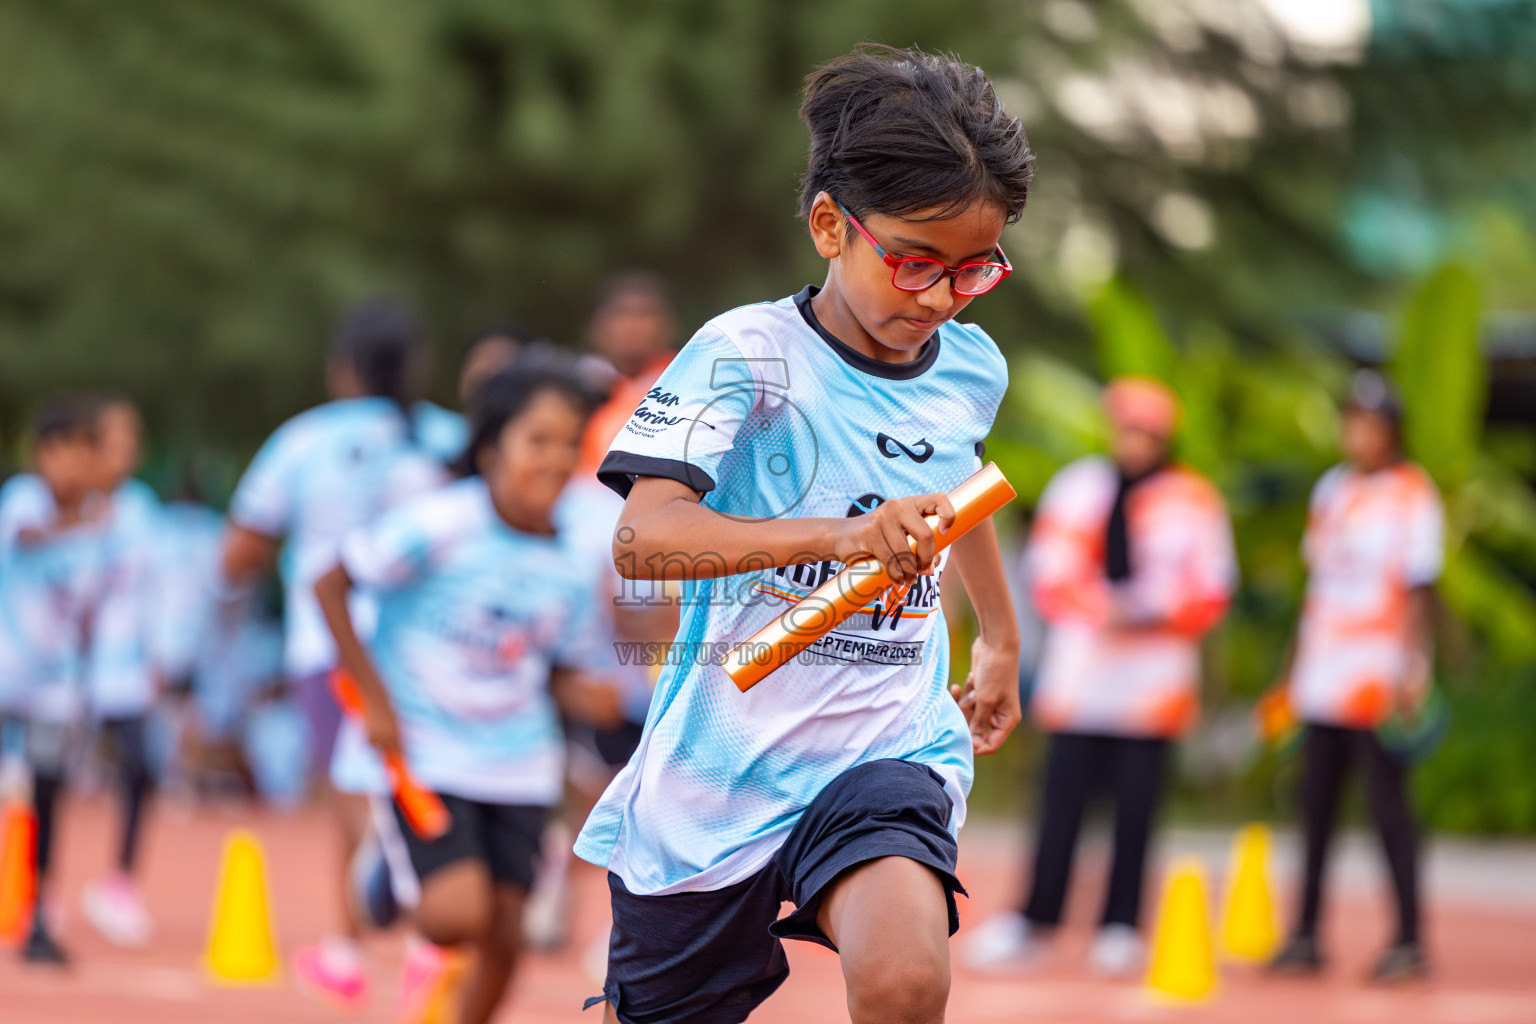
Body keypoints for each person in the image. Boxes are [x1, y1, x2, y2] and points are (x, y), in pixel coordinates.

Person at [576, 45, 1031, 1024]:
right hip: (719, 765)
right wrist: (844, 538)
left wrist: (1000, 635)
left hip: (885, 739)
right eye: (914, 262)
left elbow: (965, 491)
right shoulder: (743, 354)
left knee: (908, 979)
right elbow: (645, 539)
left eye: (974, 270)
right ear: (831, 225)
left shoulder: (969, 367)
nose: (940, 298)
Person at [314, 358, 621, 1024]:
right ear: (490, 449)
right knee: (455, 917)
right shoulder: (441, 525)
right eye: (538, 441)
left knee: (509, 932)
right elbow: (330, 584)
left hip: (517, 760)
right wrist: (375, 701)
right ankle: (387, 880)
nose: (557, 459)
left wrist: (583, 694)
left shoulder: (574, 554)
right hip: (426, 750)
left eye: (570, 444)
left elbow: (554, 664)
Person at [962, 377, 1236, 976]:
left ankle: (1121, 923)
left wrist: (1144, 609)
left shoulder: (1194, 500)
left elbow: (1212, 586)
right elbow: (1048, 573)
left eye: (1148, 431)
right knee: (1060, 804)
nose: (1135, 440)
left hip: (1154, 685)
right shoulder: (1079, 487)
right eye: (1127, 427)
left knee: (1138, 808)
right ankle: (1035, 917)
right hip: (1082, 677)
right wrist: (1100, 608)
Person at [221, 297, 445, 1006]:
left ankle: (360, 939)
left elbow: (240, 550)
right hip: (422, 645)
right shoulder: (446, 437)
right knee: (413, 784)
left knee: (351, 793)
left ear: (341, 369)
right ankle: (412, 937)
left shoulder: (304, 440)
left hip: (329, 639)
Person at [1268, 370, 1442, 984]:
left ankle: (1410, 939)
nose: (1358, 432)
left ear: (1392, 430)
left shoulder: (1413, 494)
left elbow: (1421, 588)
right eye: (1351, 419)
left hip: (1378, 675)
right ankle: (1306, 934)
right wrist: (1289, 676)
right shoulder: (1332, 490)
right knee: (1314, 806)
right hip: (1323, 674)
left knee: (1388, 808)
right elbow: (1316, 589)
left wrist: (1415, 667)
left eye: (1369, 421)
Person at [0, 396, 107, 964]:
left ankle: (38, 913)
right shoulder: (24, 500)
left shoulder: (96, 531)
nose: (70, 465)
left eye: (83, 452)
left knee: (48, 797)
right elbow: (27, 537)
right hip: (5, 673)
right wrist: (80, 524)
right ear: (40, 455)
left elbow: (85, 611)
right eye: (59, 450)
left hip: (54, 687)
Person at [78, 397, 164, 948]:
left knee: (140, 768)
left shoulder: (140, 510)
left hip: (124, 667)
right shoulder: (65, 505)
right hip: (64, 670)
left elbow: (152, 592)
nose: (124, 452)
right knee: (43, 778)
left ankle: (120, 883)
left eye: (132, 441)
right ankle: (33, 887)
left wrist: (156, 656)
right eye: (114, 440)